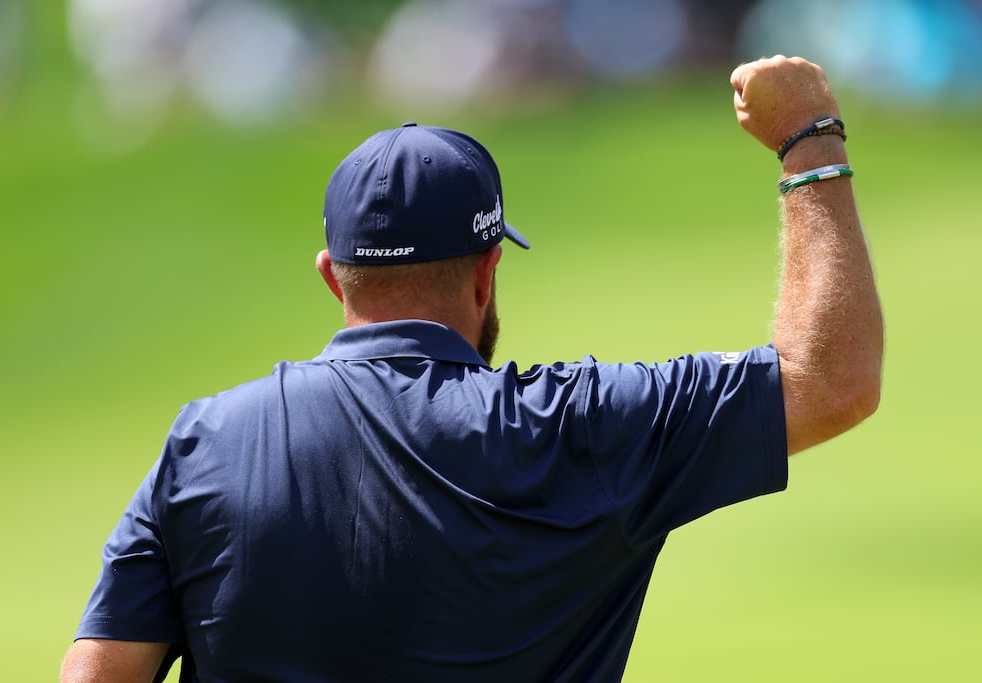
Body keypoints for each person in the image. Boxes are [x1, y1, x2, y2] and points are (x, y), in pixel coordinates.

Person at [61, 55, 883, 682]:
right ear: (487, 270)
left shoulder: (203, 443)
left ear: (330, 274)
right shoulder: (583, 432)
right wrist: (807, 135)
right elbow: (831, 378)